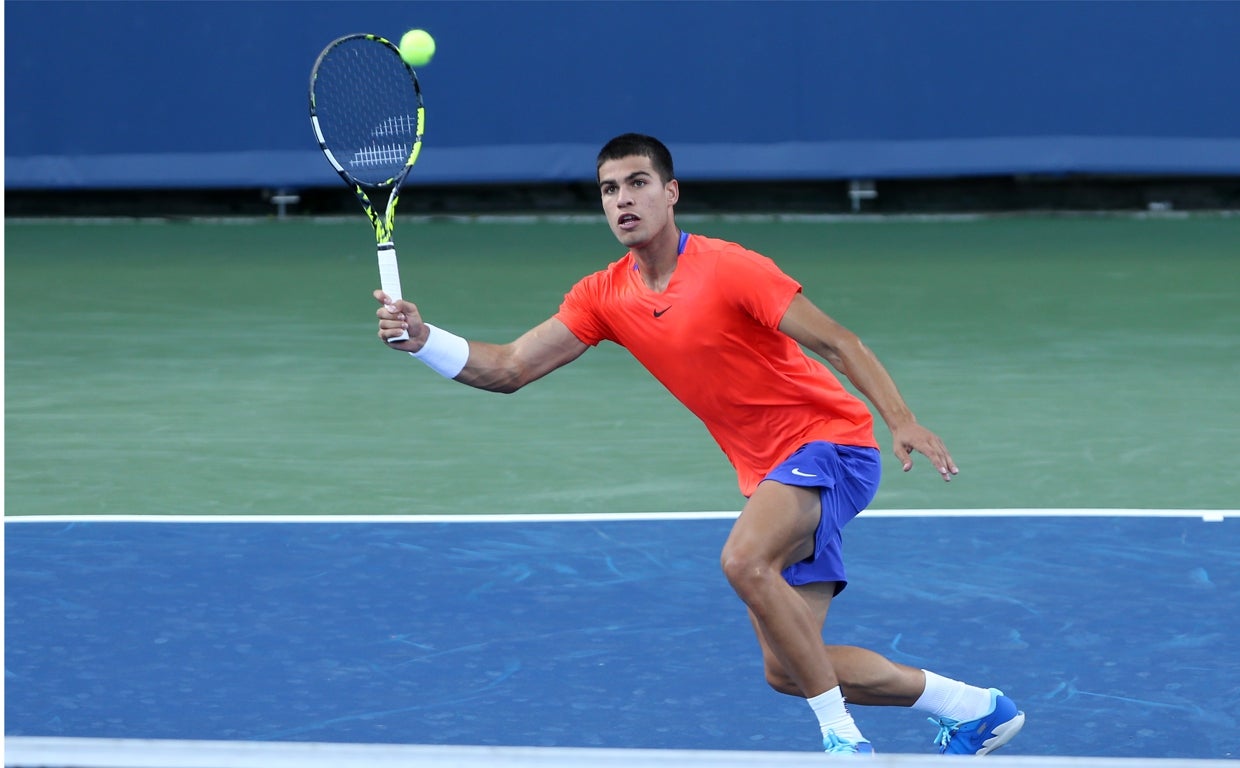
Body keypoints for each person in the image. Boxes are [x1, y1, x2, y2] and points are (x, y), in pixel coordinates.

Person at [373, 133, 1024, 756]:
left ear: (671, 192)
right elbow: (510, 366)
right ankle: (975, 708)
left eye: (637, 183)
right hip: (775, 475)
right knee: (789, 666)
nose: (623, 200)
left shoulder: (729, 268)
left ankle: (841, 738)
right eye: (608, 190)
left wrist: (900, 418)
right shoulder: (604, 296)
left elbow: (838, 342)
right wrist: (423, 339)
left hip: (833, 447)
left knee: (743, 561)